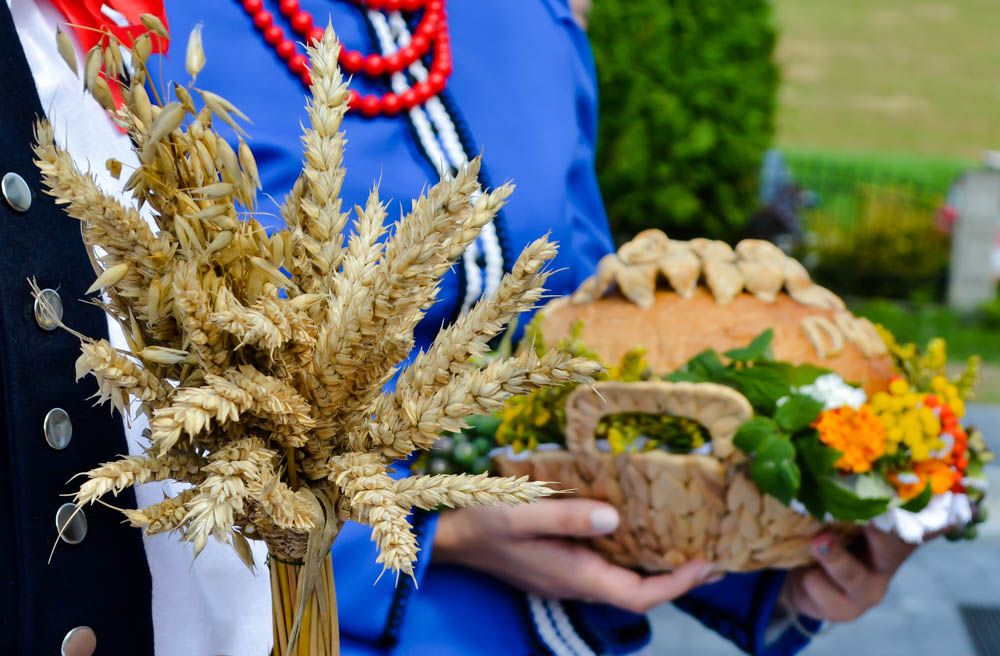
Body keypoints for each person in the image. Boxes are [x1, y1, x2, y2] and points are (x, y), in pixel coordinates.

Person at [0, 1, 919, 654]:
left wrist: (783, 563)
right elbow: (116, 409)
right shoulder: (140, 31)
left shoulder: (531, 21)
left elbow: (599, 354)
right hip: (309, 624)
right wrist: (445, 528)